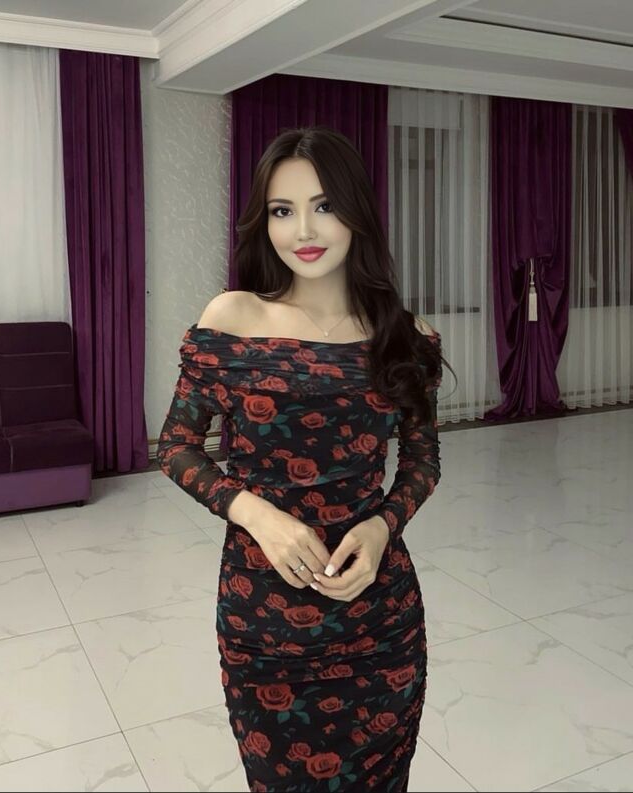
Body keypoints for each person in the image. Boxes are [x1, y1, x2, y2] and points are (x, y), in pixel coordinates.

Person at [157, 125, 452, 792]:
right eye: (282, 211)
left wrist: (381, 528)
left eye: (324, 205)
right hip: (263, 613)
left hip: (379, 612)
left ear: (357, 211)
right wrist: (257, 514)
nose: (304, 230)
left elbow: (422, 460)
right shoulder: (233, 318)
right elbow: (176, 446)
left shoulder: (407, 336)